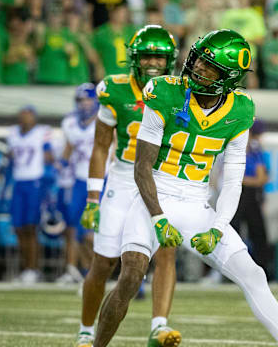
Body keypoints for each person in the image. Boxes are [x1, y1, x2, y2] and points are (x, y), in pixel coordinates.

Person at [92, 29, 278, 347]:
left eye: (209, 66)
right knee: (132, 274)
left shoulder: (240, 110)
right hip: (155, 195)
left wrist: (218, 228)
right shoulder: (165, 92)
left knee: (254, 275)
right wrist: (158, 218)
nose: (197, 68)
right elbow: (141, 169)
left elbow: (234, 179)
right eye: (198, 60)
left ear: (228, 77)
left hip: (197, 204)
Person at [79, 25, 180, 347]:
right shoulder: (114, 89)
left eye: (160, 57)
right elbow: (99, 146)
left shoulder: (179, 90)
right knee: (104, 262)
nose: (154, 62)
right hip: (123, 178)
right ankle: (85, 329)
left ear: (171, 60)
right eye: (148, 55)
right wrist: (93, 196)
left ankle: (159, 326)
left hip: (162, 177)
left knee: (165, 252)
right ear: (134, 58)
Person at [57, 83, 99, 284]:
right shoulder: (70, 123)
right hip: (78, 181)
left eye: (88, 99)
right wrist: (61, 166)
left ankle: (98, 272)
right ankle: (80, 270)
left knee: (94, 233)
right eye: (81, 100)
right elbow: (69, 148)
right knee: (75, 229)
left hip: (100, 180)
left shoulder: (105, 119)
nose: (84, 104)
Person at [7, 105, 53, 284]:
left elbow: (50, 156)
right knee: (18, 228)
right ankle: (25, 268)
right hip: (18, 182)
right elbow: (11, 156)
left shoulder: (42, 132)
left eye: (28, 115)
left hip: (35, 182)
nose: (24, 118)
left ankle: (33, 269)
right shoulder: (12, 133)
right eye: (22, 114)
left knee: (31, 227)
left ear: (34, 117)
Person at [231, 119, 270, 276]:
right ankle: (237, 270)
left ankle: (259, 269)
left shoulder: (253, 150)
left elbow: (261, 178)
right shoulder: (248, 148)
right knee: (238, 231)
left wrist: (238, 180)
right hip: (243, 193)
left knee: (253, 232)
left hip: (246, 193)